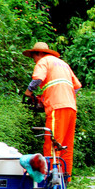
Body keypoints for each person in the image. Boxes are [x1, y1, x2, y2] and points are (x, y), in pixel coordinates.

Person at [23, 42, 82, 181]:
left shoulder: (43, 61)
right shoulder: (63, 64)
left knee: (52, 143)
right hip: (71, 107)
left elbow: (37, 79)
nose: (34, 60)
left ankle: (49, 179)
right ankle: (65, 179)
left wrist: (28, 93)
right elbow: (77, 87)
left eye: (33, 57)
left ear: (39, 53)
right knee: (65, 146)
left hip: (57, 108)